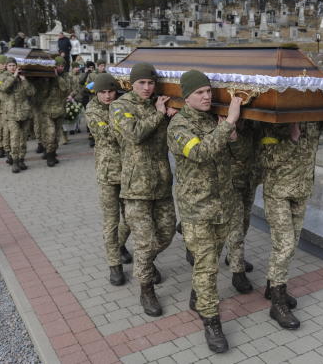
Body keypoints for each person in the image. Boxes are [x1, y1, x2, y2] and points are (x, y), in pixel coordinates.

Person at [167, 70, 242, 353]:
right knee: (208, 266)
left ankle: (198, 294)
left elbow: (233, 156)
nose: (207, 96)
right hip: (197, 209)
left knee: (207, 264)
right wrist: (229, 124)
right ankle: (212, 322)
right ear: (186, 96)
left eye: (209, 91)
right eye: (200, 92)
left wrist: (232, 135)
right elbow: (199, 153)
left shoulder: (215, 119)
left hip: (223, 205)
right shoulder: (178, 126)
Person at [259, 111, 323, 330]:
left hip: (302, 190)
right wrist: (292, 138)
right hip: (278, 192)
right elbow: (267, 159)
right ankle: (277, 302)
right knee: (285, 244)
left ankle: (272, 286)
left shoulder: (314, 115)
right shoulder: (274, 119)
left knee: (290, 243)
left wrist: (322, 105)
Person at [110, 63, 176, 317]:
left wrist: (170, 116)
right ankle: (146, 289)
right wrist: (159, 114)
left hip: (161, 183)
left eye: (150, 83)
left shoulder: (159, 104)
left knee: (168, 233)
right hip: (136, 186)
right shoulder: (120, 106)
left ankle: (143, 262)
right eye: (141, 83)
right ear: (131, 84)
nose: (147, 88)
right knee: (145, 240)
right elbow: (134, 134)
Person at [85, 73, 132, 286]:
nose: (107, 96)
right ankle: (114, 265)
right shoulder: (92, 111)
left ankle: (119, 244)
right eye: (102, 92)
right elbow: (111, 134)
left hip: (130, 171)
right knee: (111, 222)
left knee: (131, 218)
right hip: (107, 174)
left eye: (111, 91)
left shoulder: (123, 105)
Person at [224, 120, 261, 294]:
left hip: (250, 178)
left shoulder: (254, 122)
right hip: (231, 181)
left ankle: (233, 256)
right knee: (236, 227)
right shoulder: (226, 119)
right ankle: (237, 272)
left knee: (244, 222)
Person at [1, 58, 35, 173]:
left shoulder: (23, 78)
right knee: (14, 137)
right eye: (10, 65)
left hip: (25, 112)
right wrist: (13, 76)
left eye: (14, 65)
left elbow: (31, 92)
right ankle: (15, 161)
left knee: (23, 138)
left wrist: (24, 80)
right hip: (11, 114)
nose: (12, 67)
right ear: (6, 67)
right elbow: (4, 88)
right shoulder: (5, 77)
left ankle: (21, 159)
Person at [38, 56, 70, 166]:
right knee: (50, 133)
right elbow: (42, 91)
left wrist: (57, 77)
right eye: (58, 66)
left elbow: (65, 89)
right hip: (47, 110)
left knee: (56, 135)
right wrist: (49, 77)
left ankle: (52, 152)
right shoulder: (46, 77)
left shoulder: (65, 76)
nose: (60, 68)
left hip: (60, 110)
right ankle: (49, 156)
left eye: (62, 66)